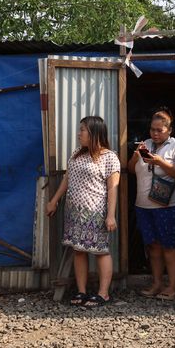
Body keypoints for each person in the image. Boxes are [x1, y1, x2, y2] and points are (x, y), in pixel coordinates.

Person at [46, 116, 120, 308]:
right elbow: (66, 180)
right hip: (74, 212)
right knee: (78, 250)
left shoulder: (109, 157)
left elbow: (113, 188)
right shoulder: (77, 154)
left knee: (100, 251)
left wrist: (111, 215)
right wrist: (54, 201)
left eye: (83, 130)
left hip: (96, 213)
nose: (79, 134)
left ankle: (103, 294)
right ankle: (82, 291)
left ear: (95, 133)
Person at [127, 108, 175, 301]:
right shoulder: (144, 145)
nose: (155, 133)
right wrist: (136, 157)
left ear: (170, 130)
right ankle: (156, 283)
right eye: (152, 129)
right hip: (143, 204)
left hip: (168, 206)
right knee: (152, 246)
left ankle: (172, 287)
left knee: (170, 245)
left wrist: (161, 162)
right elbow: (129, 170)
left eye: (159, 130)